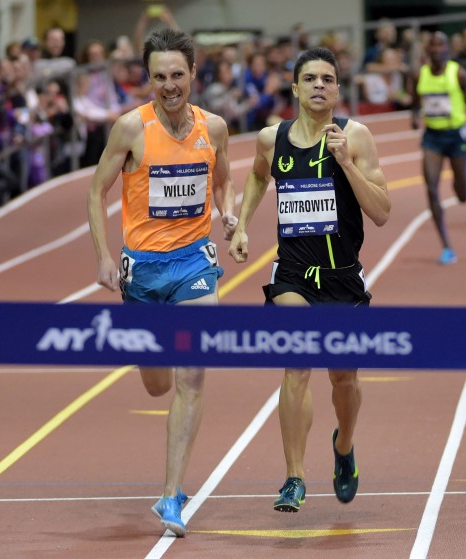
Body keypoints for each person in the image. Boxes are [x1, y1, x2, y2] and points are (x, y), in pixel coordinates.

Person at [86, 28, 237, 537]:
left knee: (193, 374)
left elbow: (224, 181)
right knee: (157, 385)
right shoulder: (130, 128)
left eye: (177, 75)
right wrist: (105, 255)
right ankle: (154, 361)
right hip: (142, 271)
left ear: (193, 73)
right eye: (159, 77)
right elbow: (95, 191)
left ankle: (171, 494)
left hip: (194, 264)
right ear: (147, 79)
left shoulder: (214, 128)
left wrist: (229, 216)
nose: (169, 86)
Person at [228, 47, 389, 513]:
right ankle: (294, 477)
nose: (319, 85)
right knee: (297, 363)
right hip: (294, 274)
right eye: (310, 78)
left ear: (338, 90)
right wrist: (242, 225)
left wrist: (347, 164)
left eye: (328, 78)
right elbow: (259, 178)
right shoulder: (270, 138)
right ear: (294, 87)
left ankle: (344, 446)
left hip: (343, 279)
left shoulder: (356, 138)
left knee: (344, 380)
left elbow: (381, 213)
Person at [410, 31, 466, 265]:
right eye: (433, 45)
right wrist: (414, 116)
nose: (437, 49)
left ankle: (460, 178)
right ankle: (446, 245)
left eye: (441, 44)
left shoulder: (458, 73)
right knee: (430, 188)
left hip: (456, 134)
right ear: (427, 50)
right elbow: (415, 100)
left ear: (448, 49)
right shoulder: (419, 75)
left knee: (463, 195)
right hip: (432, 137)